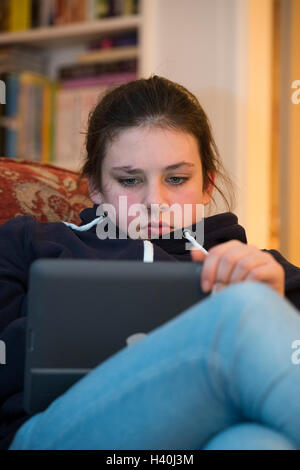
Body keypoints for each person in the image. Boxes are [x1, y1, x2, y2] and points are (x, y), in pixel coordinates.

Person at [1, 75, 300, 450]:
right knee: (243, 308)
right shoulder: (29, 243)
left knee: (256, 443)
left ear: (207, 185)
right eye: (129, 181)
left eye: (176, 178)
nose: (154, 202)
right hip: (54, 431)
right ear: (94, 185)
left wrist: (282, 303)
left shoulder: (251, 265)